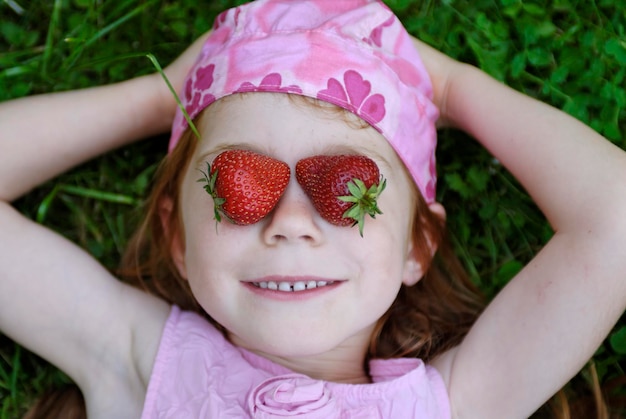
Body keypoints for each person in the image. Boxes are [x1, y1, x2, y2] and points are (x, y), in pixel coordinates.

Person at [1, 0, 625, 417]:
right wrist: (154, 98)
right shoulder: (140, 361)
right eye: (238, 182)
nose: (292, 223)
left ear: (416, 246)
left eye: (346, 189)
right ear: (180, 239)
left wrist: (452, 87)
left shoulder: (454, 405)